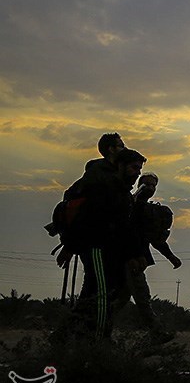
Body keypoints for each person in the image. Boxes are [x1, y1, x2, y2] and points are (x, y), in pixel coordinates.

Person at [54, 148, 147, 341]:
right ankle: (100, 342)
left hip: (111, 252)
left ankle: (62, 337)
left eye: (139, 169)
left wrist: (135, 254)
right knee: (102, 296)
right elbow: (87, 220)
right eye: (134, 167)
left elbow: (126, 228)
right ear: (120, 166)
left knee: (92, 295)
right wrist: (69, 247)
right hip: (97, 249)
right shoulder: (105, 189)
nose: (137, 172)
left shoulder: (123, 193)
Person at [114, 172, 182, 345]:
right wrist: (133, 256)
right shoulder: (128, 206)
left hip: (135, 260)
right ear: (139, 185)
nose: (150, 188)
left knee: (119, 300)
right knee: (142, 297)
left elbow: (155, 238)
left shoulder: (147, 210)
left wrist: (171, 257)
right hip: (127, 260)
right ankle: (156, 332)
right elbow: (126, 234)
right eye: (146, 184)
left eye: (153, 185)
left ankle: (92, 329)